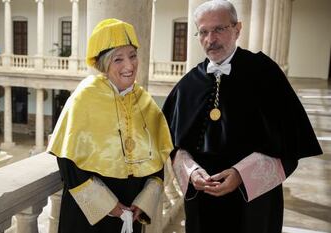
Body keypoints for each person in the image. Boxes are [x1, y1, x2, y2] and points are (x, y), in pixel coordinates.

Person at [162, 1, 322, 233]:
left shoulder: (265, 73)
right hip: (202, 201)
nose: (210, 39)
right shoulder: (188, 84)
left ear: (237, 29)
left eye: (219, 29)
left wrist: (241, 174)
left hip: (253, 202)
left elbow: (289, 146)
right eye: (203, 32)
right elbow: (172, 143)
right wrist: (192, 172)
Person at [47, 18, 173, 233]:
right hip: (89, 217)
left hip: (132, 213)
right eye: (118, 59)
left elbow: (158, 159)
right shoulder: (84, 97)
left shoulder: (145, 101)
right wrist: (108, 206)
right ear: (104, 64)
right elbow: (68, 163)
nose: (129, 65)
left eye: (133, 56)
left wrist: (144, 202)